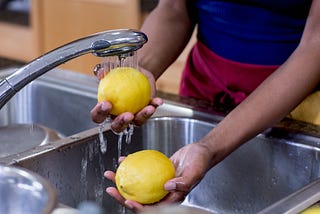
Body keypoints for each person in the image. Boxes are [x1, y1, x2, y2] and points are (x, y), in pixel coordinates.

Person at [90, 0, 320, 212]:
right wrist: (140, 74)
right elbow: (174, 8)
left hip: (295, 107)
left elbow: (315, 45)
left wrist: (209, 147)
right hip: (206, 94)